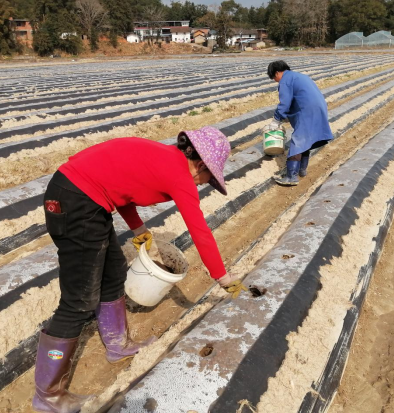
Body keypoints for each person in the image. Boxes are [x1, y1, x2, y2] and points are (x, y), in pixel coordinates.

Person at [33, 126, 247, 413]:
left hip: (87, 199)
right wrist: (221, 275)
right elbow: (199, 230)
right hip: (75, 201)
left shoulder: (164, 157)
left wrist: (138, 229)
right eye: (208, 178)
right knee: (78, 301)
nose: (202, 184)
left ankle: (117, 344)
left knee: (113, 271)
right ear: (200, 165)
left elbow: (122, 189)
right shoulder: (180, 175)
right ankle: (48, 396)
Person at [267, 60, 334, 186]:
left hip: (307, 110)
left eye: (273, 78)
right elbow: (300, 97)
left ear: (277, 73)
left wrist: (276, 119)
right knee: (306, 139)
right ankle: (302, 170)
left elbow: (285, 103)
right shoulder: (299, 76)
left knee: (298, 140)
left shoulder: (285, 80)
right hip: (318, 107)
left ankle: (291, 177)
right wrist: (287, 116)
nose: (275, 81)